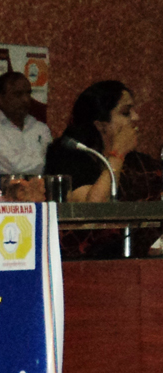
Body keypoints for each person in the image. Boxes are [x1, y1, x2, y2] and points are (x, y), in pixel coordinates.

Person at [45, 81, 160, 257]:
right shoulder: (69, 156)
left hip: (135, 259)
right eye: (126, 112)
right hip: (82, 262)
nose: (136, 117)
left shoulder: (138, 162)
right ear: (100, 125)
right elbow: (95, 208)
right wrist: (118, 154)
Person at [0, 71, 52, 176]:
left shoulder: (41, 129)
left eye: (28, 93)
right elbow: (13, 167)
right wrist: (39, 163)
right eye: (18, 94)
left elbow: (49, 165)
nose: (26, 100)